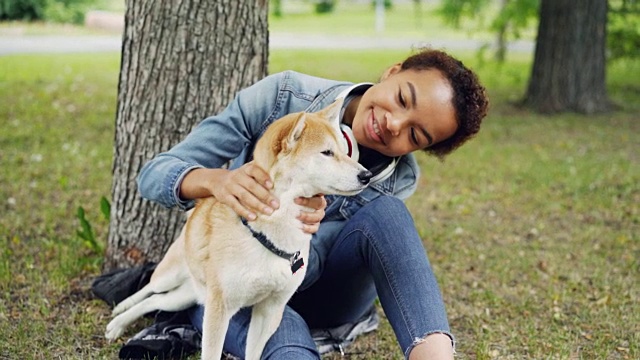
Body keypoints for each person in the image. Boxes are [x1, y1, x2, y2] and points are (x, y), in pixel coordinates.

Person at [135, 48, 489, 360]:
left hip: (322, 292)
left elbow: (308, 269)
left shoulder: (400, 179)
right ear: (392, 73)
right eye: (402, 98)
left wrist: (301, 230)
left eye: (415, 135)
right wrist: (217, 180)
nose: (393, 123)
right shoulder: (284, 97)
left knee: (390, 214)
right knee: (286, 341)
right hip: (242, 285)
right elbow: (153, 174)